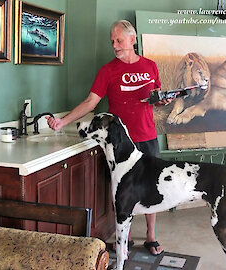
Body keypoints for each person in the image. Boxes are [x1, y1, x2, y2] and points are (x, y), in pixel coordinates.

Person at [46, 19, 175, 256]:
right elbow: (91, 102)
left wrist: (162, 100)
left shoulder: (150, 66)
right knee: (120, 191)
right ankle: (120, 237)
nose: (115, 45)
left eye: (119, 40)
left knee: (151, 187)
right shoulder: (108, 71)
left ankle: (151, 236)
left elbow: (155, 95)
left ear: (132, 39)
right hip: (119, 144)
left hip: (147, 136)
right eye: (112, 41)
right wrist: (63, 121)